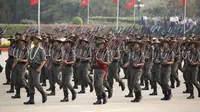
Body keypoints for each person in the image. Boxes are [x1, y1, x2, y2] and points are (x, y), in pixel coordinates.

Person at [23, 35, 47, 105]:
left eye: (36, 39)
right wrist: (25, 65)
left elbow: (44, 60)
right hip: (31, 67)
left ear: (39, 41)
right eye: (33, 39)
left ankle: (43, 93)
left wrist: (40, 68)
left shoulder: (41, 50)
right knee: (30, 84)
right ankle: (31, 99)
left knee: (36, 83)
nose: (34, 40)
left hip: (37, 68)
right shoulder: (31, 49)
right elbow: (29, 59)